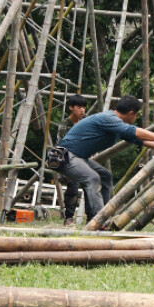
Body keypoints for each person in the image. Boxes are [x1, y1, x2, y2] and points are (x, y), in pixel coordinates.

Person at [56, 95, 154, 221]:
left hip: (79, 157)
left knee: (105, 175)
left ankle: (99, 217)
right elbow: (133, 131)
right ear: (131, 113)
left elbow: (140, 140)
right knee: (93, 178)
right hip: (65, 156)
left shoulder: (116, 124)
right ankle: (99, 221)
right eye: (136, 115)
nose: (135, 118)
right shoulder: (109, 118)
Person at [56, 95, 88, 227]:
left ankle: (92, 218)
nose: (82, 110)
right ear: (71, 108)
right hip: (68, 160)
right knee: (73, 188)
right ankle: (69, 218)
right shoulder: (65, 125)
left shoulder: (85, 122)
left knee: (91, 186)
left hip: (85, 159)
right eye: (79, 107)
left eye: (84, 107)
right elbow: (63, 146)